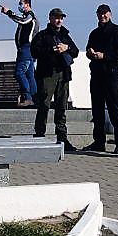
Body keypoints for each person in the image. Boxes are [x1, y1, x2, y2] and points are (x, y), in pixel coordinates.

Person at [30, 8, 79, 152]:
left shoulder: (65, 35)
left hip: (63, 74)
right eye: (57, 18)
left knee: (61, 106)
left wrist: (66, 47)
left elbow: (75, 51)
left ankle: (62, 138)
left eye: (61, 18)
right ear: (50, 18)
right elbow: (34, 52)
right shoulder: (42, 35)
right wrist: (52, 50)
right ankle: (39, 135)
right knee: (44, 105)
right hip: (47, 74)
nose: (59, 20)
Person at [84, 3, 118, 154]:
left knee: (115, 110)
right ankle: (99, 142)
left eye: (105, 13)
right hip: (96, 76)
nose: (102, 16)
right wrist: (90, 52)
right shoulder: (94, 33)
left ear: (110, 14)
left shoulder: (117, 31)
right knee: (97, 111)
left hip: (111, 76)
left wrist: (105, 56)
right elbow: (88, 49)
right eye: (100, 13)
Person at [1, 0, 39, 106]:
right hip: (26, 49)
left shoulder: (30, 16)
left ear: (27, 4)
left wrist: (8, 12)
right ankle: (34, 98)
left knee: (19, 73)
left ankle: (27, 97)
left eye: (21, 4)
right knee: (30, 75)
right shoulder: (27, 17)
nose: (19, 6)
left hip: (26, 49)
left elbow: (22, 21)